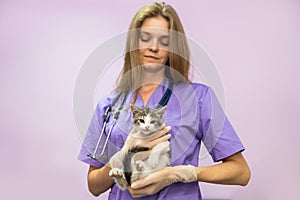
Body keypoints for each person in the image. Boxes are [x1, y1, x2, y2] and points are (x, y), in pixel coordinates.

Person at [78, 2, 251, 199]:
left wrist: (180, 173)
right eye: (145, 38)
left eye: (164, 41)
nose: (154, 47)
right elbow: (94, 186)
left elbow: (241, 172)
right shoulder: (110, 105)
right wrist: (121, 158)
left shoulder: (198, 98)